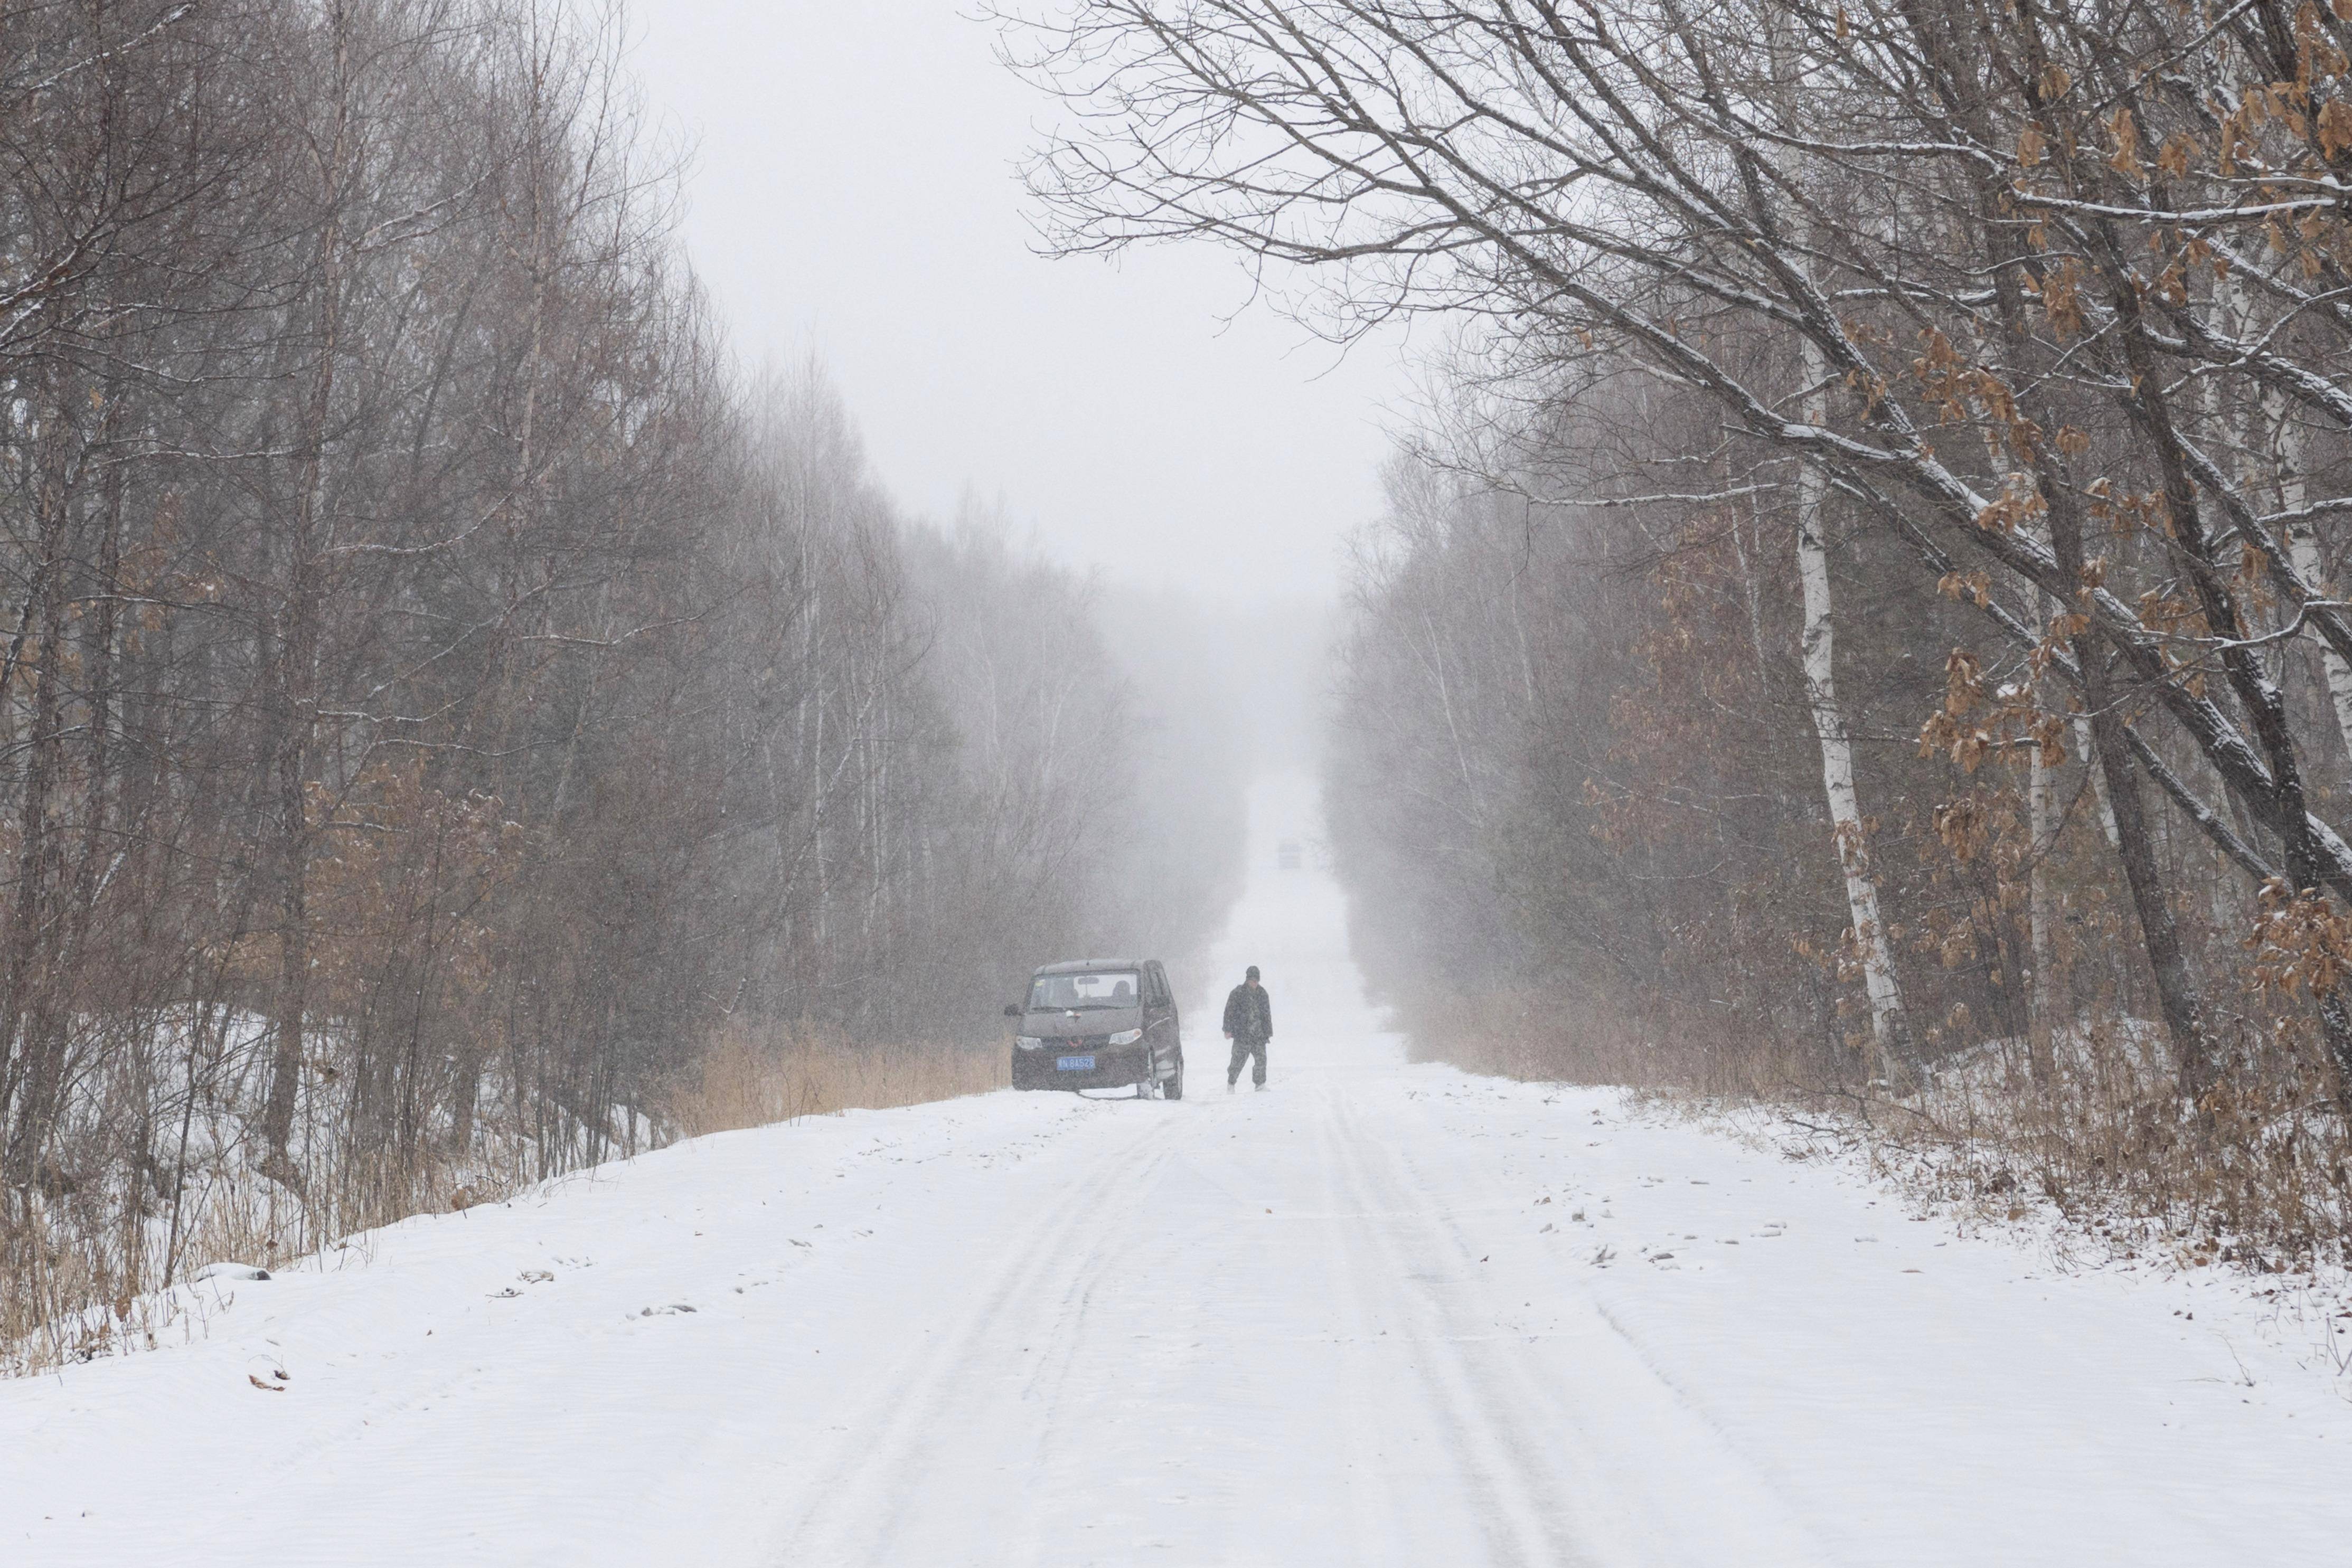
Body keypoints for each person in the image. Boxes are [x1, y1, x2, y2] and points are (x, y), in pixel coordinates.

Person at [1222, 965, 1273, 1092]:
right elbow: (1229, 1012)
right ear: (1247, 980)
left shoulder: (1262, 994)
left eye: (1256, 981)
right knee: (1237, 1061)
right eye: (1252, 980)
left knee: (1261, 1060)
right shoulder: (1238, 993)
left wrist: (1268, 1033)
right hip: (1242, 1035)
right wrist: (1228, 1029)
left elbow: (1267, 1015)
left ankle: (1260, 1084)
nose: (1254, 983)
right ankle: (1231, 1083)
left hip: (1258, 1035)